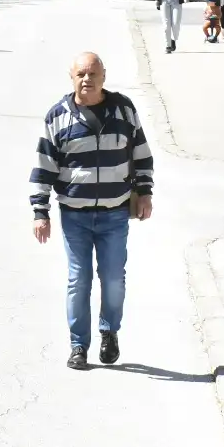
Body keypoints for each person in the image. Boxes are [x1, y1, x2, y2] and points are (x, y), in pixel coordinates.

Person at [30, 53, 154, 371]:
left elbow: (141, 154)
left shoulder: (123, 110)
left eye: (93, 73)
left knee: (113, 279)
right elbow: (44, 167)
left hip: (115, 213)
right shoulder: (57, 116)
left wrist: (144, 193)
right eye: (81, 73)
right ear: (71, 78)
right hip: (75, 215)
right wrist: (40, 212)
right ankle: (78, 346)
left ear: (104, 76)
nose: (87, 79)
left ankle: (109, 331)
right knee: (78, 280)